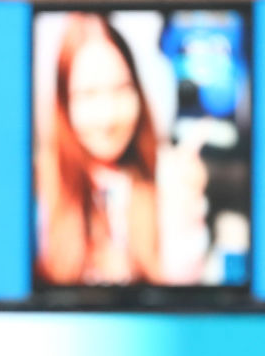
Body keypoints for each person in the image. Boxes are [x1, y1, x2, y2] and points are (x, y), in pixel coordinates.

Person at [36, 13, 210, 286]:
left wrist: (184, 206)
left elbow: (185, 298)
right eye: (88, 94)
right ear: (64, 103)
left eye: (120, 89)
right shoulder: (37, 192)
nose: (107, 118)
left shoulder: (167, 178)